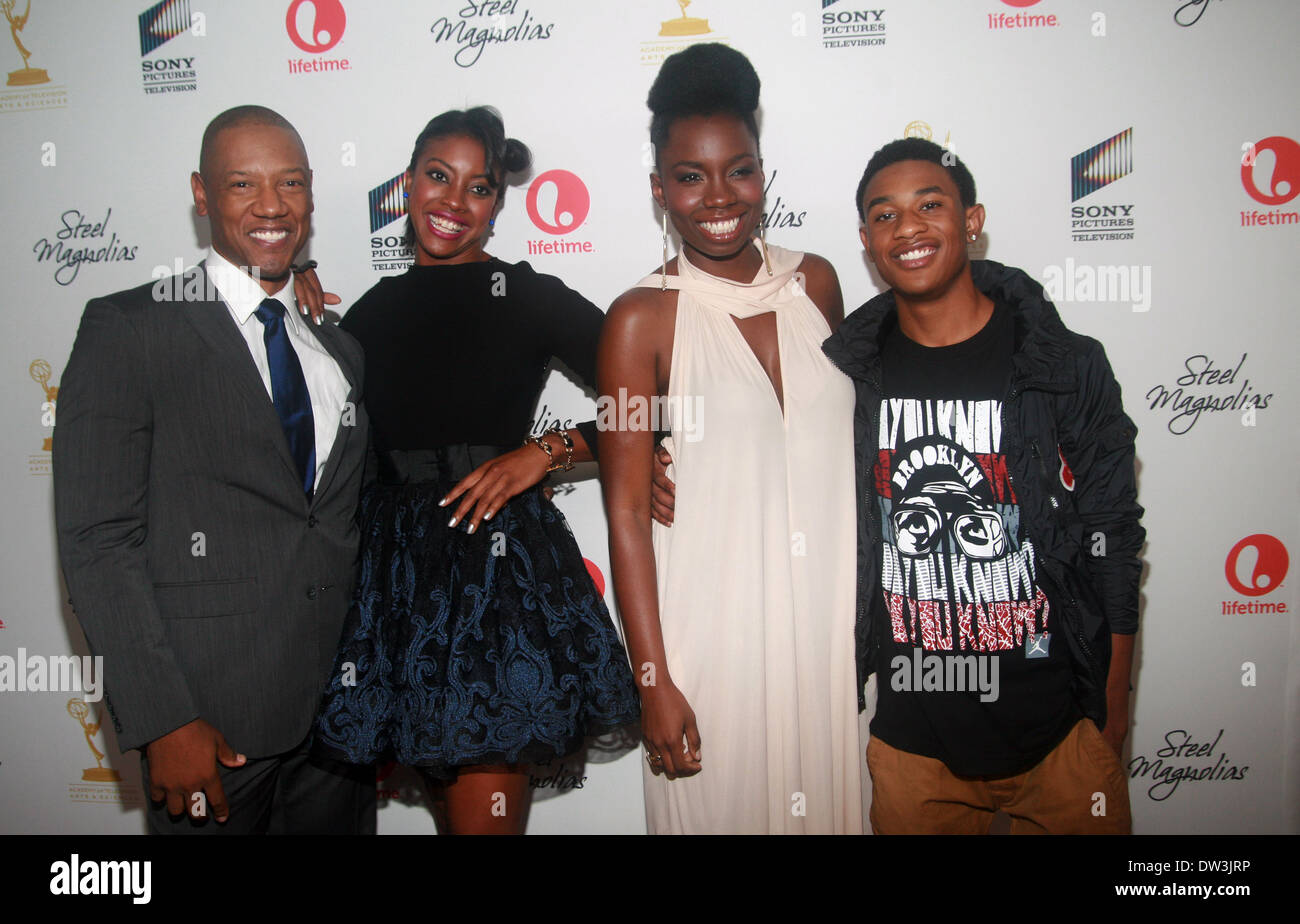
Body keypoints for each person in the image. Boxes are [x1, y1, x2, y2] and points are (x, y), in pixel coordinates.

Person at [310, 107, 640, 835]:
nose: (454, 203)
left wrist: (546, 452)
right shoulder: (366, 315)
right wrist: (299, 307)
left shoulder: (524, 294)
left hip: (498, 585)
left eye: (479, 187)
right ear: (407, 183)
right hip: (395, 589)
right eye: (437, 177)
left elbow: (655, 395)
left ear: (498, 204)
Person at [53, 105, 376, 835]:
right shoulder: (131, 328)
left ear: (313, 195)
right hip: (210, 730)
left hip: (339, 725)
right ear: (201, 194)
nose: (272, 205)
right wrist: (163, 719)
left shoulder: (338, 351)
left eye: (290, 183)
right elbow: (98, 541)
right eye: (243, 185)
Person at [818, 138, 1145, 833]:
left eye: (930, 205)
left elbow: (1112, 533)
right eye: (885, 215)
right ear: (867, 240)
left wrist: (1112, 709)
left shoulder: (1066, 365)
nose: (907, 227)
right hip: (913, 748)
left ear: (973, 220)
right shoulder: (845, 380)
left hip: (1061, 737)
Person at [599, 44, 863, 834]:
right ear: (659, 189)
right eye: (690, 175)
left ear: (762, 173)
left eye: (739, 170)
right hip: (711, 641)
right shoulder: (638, 319)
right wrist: (654, 681)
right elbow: (624, 515)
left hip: (829, 637)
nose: (719, 196)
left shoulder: (817, 282)